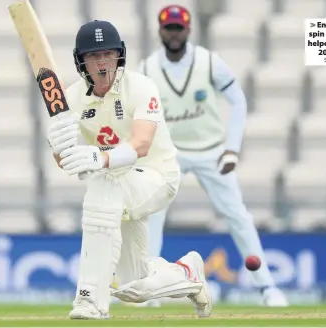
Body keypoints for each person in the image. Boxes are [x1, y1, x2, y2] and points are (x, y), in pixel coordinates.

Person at [46, 20, 212, 320]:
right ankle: (188, 272)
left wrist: (100, 158)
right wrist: (59, 148)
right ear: (81, 60)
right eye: (94, 56)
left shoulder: (141, 86)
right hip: (116, 190)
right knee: (135, 286)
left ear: (119, 55)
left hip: (157, 177)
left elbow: (142, 144)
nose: (102, 62)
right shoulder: (71, 98)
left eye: (108, 54)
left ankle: (90, 298)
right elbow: (67, 161)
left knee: (101, 184)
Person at [138, 5, 289, 307]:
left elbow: (238, 101)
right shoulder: (147, 69)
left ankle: (267, 288)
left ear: (188, 30)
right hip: (169, 155)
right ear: (160, 31)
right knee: (151, 217)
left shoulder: (209, 63)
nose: (174, 34)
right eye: (169, 28)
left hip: (211, 152)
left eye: (179, 28)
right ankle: (148, 290)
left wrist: (232, 148)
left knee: (238, 216)